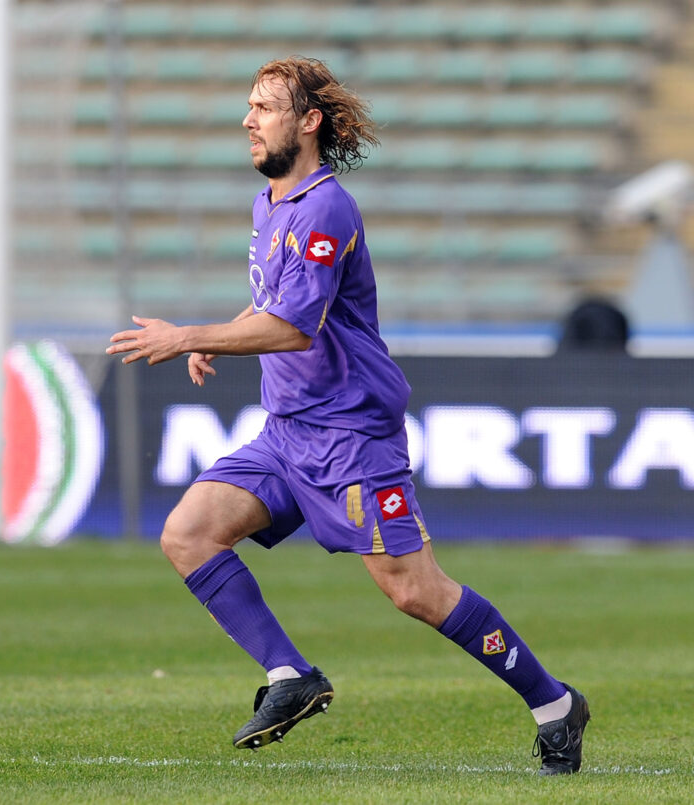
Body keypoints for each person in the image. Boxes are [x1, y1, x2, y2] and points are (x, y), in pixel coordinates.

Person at [107, 57, 590, 775]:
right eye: (248, 106)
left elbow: (298, 325)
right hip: (286, 433)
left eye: (265, 108)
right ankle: (289, 676)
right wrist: (225, 336)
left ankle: (555, 705)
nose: (247, 119)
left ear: (308, 122)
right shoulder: (269, 203)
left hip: (351, 437)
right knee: (190, 533)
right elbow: (277, 295)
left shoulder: (328, 207)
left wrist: (191, 334)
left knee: (415, 591)